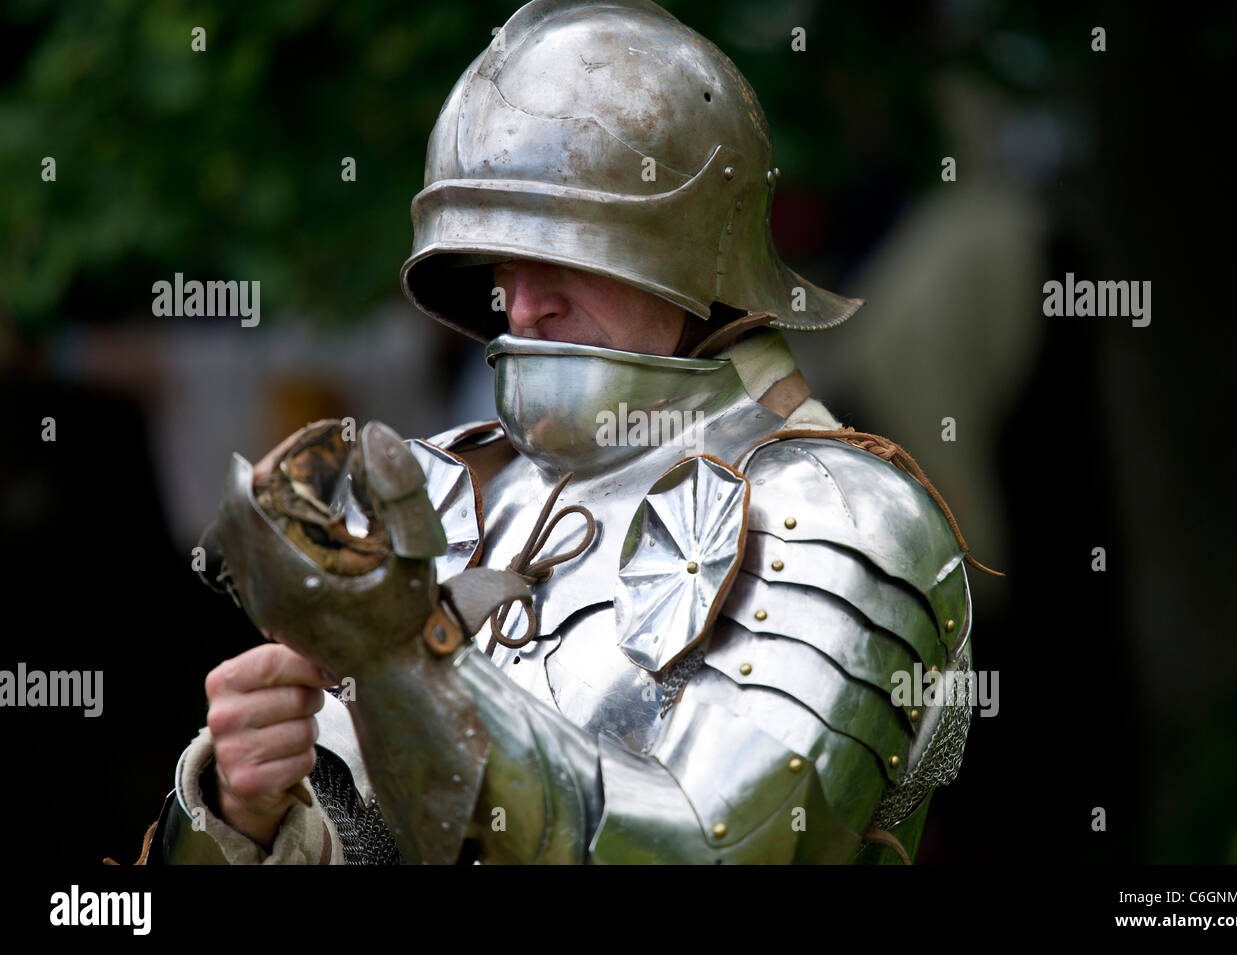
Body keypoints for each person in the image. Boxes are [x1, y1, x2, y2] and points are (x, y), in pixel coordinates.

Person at [142, 0, 983, 865]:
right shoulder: (443, 490)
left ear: (697, 262)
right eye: (500, 264)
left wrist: (411, 662)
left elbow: (727, 847)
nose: (523, 302)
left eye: (574, 255)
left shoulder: (839, 515)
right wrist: (250, 807)